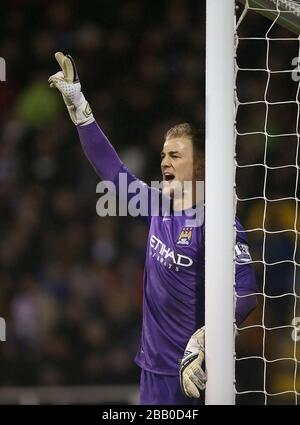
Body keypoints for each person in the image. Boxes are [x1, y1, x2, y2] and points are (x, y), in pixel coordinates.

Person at [48, 52, 257, 405]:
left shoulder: (219, 222)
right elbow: (112, 171)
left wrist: (206, 338)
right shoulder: (159, 205)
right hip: (152, 369)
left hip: (194, 373)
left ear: (201, 167)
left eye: (175, 155)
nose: (164, 162)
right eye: (163, 155)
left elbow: (247, 293)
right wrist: (79, 103)